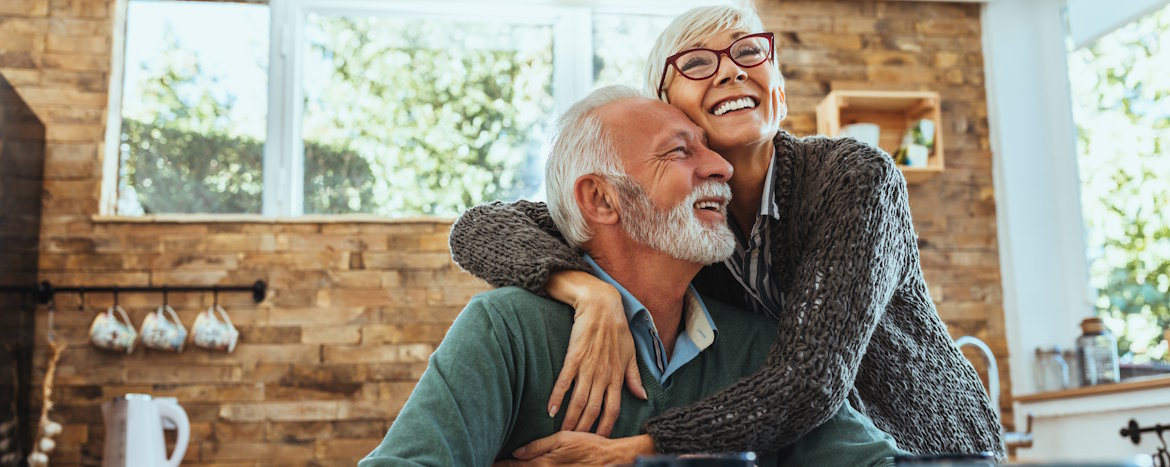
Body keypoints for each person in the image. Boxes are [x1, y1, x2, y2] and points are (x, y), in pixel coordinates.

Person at [447, 3, 1005, 461]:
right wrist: (585, 289)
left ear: (779, 92)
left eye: (747, 52)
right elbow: (481, 227)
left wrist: (643, 451)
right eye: (695, 62)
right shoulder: (676, 222)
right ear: (668, 111)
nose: (732, 70)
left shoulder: (855, 178)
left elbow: (810, 379)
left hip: (923, 448)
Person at [360, 86, 906, 466]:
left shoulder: (760, 347)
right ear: (600, 198)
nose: (720, 167)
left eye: (710, 149)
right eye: (679, 151)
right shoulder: (507, 331)